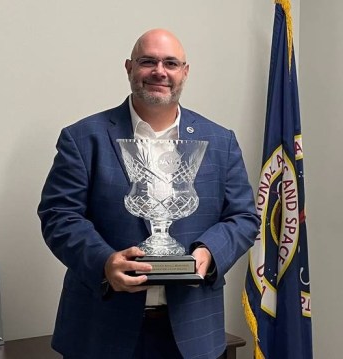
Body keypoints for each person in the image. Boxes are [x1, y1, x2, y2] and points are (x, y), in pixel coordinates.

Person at [37, 29, 260, 359]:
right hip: (100, 328)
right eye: (148, 61)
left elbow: (243, 217)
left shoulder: (220, 141)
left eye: (171, 63)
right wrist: (104, 263)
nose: (160, 71)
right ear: (129, 68)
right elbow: (59, 217)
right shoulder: (83, 138)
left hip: (194, 331)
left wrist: (209, 253)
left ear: (185, 72)